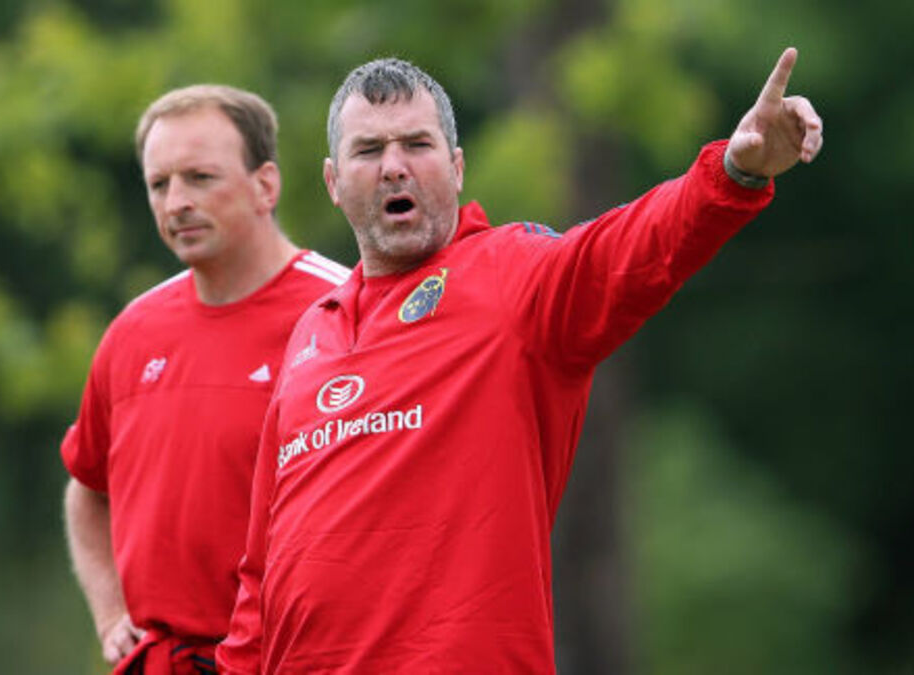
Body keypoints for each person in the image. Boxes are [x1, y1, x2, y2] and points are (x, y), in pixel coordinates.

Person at [217, 49, 822, 673]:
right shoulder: (310, 336)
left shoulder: (511, 278)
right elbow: (260, 572)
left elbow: (630, 249)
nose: (394, 167)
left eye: (417, 145)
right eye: (368, 150)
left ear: (456, 168)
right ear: (333, 183)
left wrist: (733, 173)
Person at [61, 84, 350, 675]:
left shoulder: (347, 312)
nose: (176, 203)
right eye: (159, 184)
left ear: (265, 185)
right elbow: (86, 489)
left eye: (199, 178)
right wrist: (111, 614)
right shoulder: (134, 331)